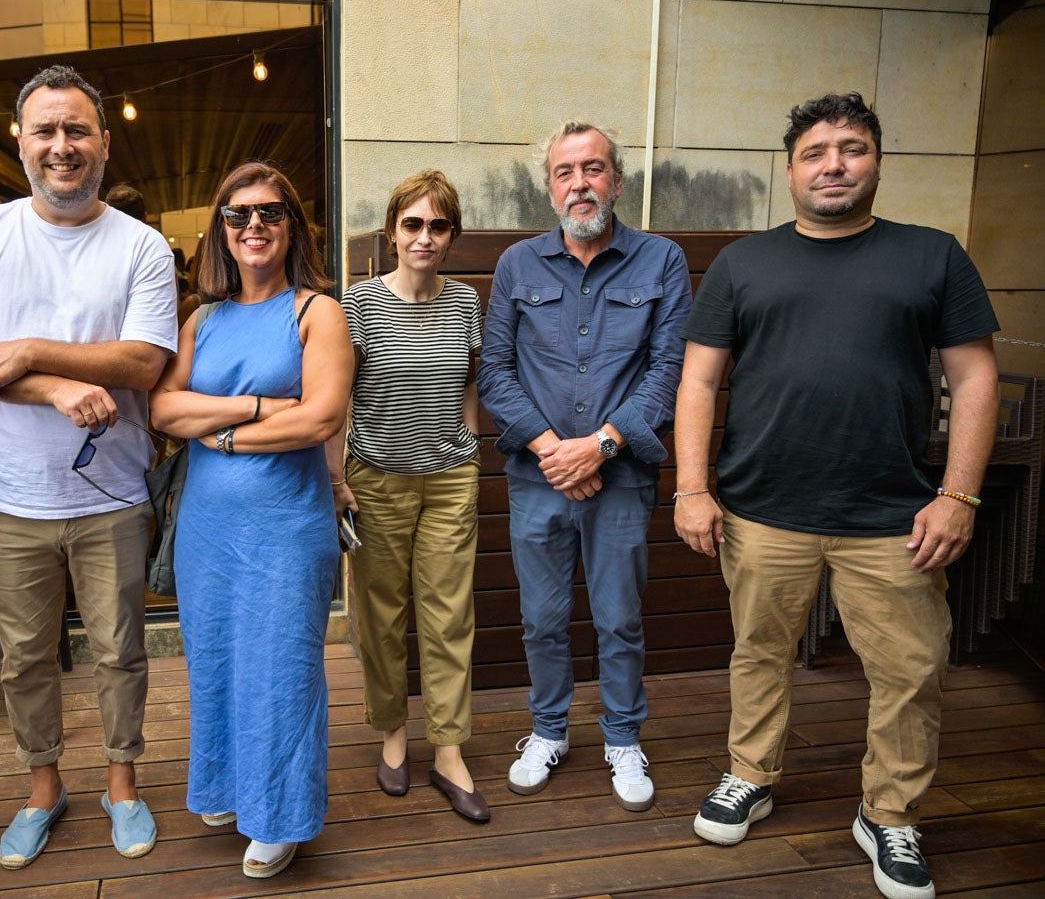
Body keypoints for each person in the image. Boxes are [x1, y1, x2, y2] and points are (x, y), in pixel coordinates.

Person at [674, 92, 1000, 899]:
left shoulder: (932, 255)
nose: (833, 164)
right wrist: (691, 487)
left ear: (876, 162)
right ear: (788, 170)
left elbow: (974, 374)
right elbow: (699, 381)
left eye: (851, 148)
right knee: (758, 653)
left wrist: (958, 495)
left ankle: (888, 814)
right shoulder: (745, 263)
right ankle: (750, 773)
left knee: (909, 671)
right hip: (760, 507)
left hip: (892, 513)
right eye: (815, 152)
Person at [0, 64, 177, 870]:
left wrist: (26, 349)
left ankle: (121, 783)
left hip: (111, 491)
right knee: (25, 657)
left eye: (76, 131)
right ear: (20, 141)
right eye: (46, 131)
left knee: (119, 650)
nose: (61, 147)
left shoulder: (139, 245)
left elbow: (140, 363)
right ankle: (43, 789)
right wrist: (61, 383)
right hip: (6, 494)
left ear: (103, 142)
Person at [478, 120, 692, 811]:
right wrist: (552, 450)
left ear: (617, 180)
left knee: (619, 619)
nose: (579, 184)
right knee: (540, 619)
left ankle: (622, 737)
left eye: (593, 169)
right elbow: (495, 372)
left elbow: (667, 371)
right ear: (549, 186)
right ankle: (547, 730)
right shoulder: (516, 265)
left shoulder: (660, 261)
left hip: (621, 480)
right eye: (565, 172)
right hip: (536, 478)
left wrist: (598, 446)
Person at [149, 161, 353, 879]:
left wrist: (224, 434)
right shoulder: (201, 318)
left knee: (281, 670)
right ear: (221, 232)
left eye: (269, 212)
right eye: (238, 215)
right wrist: (260, 408)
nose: (253, 225)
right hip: (209, 528)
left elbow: (322, 416)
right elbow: (162, 410)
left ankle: (280, 816)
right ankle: (228, 788)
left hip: (286, 525)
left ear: (291, 225)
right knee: (216, 661)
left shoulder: (316, 311)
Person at [333, 169, 488, 821]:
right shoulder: (358, 304)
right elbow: (336, 396)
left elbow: (469, 382)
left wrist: (471, 442)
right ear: (392, 231)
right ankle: (393, 734)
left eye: (438, 226)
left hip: (449, 480)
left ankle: (448, 749)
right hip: (375, 481)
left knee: (450, 618)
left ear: (451, 235)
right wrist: (336, 479)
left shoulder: (464, 304)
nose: (424, 238)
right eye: (412, 224)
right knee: (382, 619)